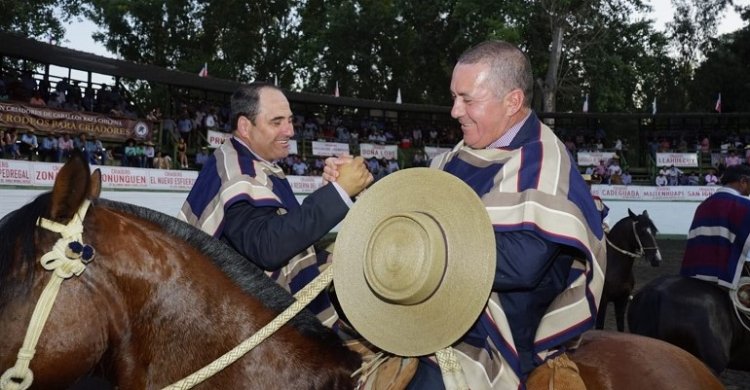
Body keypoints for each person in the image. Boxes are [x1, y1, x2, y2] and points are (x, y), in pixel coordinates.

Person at [326, 40, 605, 389]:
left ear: (513, 102)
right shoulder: (458, 156)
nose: (455, 111)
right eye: (454, 97)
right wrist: (365, 193)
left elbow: (524, 264)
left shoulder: (545, 161)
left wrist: (423, 255)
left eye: (467, 99)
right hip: (439, 305)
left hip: (496, 328)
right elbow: (416, 217)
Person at [179, 83, 373, 325]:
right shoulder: (238, 174)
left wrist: (330, 189)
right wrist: (339, 192)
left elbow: (277, 227)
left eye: (290, 121)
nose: (289, 131)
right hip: (247, 331)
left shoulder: (244, 159)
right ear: (245, 126)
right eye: (277, 122)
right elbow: (268, 247)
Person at [681, 164, 750, 290]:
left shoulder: (703, 205)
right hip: (727, 273)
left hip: (695, 270)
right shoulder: (745, 206)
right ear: (743, 181)